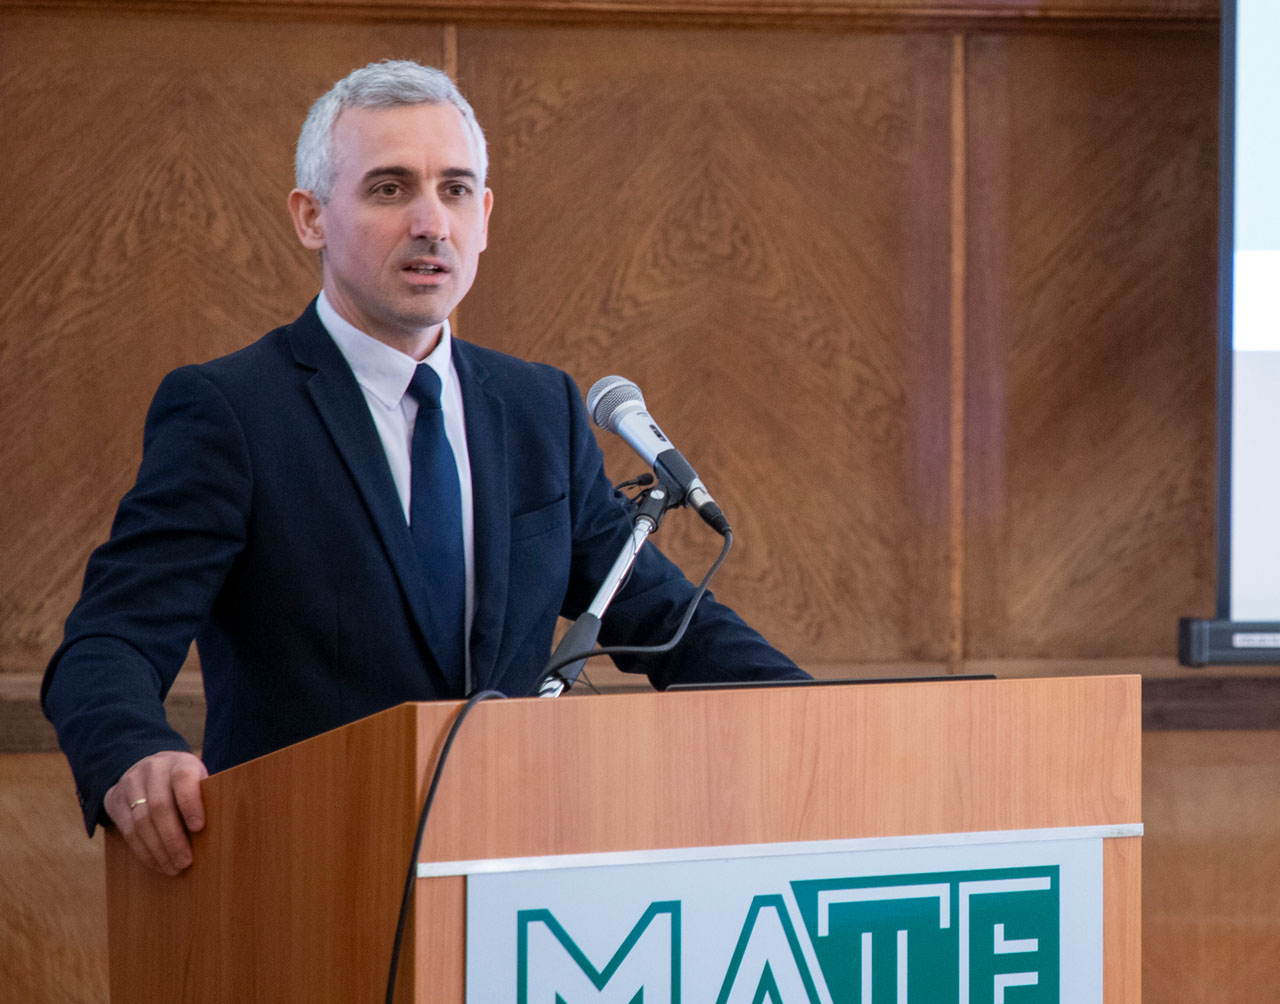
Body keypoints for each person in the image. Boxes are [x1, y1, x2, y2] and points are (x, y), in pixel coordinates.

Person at [42, 60, 805, 879]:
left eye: (455, 190)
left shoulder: (537, 408)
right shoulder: (232, 412)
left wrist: (833, 721)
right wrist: (135, 752)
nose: (431, 222)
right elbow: (110, 640)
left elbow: (667, 622)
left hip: (513, 873)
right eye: (389, 188)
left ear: (485, 218)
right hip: (305, 874)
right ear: (311, 218)